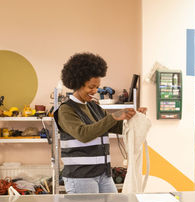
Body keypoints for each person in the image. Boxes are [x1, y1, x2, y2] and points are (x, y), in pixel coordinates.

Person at [54, 52, 147, 193]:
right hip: (81, 177)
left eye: (97, 87)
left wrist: (135, 118)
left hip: (103, 174)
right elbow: (83, 134)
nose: (95, 91)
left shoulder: (94, 106)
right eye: (91, 87)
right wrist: (113, 117)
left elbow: (117, 127)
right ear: (77, 84)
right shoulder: (66, 110)